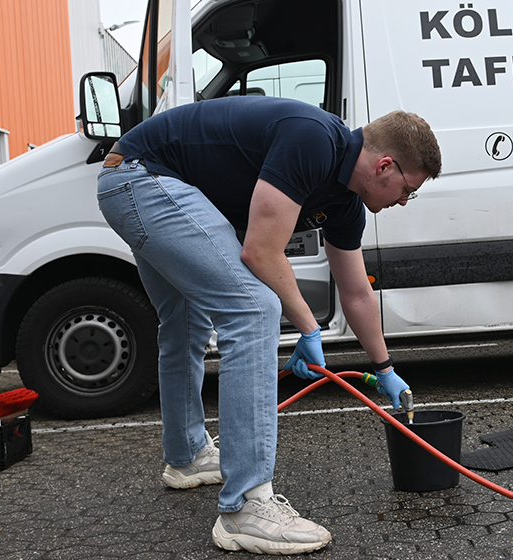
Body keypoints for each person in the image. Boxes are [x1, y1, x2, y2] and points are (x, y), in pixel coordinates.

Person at [96, 96, 441, 555]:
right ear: (384, 166)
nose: (404, 201)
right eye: (407, 190)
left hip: (143, 180)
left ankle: (188, 456)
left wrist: (384, 367)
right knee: (253, 309)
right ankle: (246, 509)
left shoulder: (344, 203)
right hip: (141, 177)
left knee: (185, 321)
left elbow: (356, 292)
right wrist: (309, 329)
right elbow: (259, 253)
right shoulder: (314, 139)